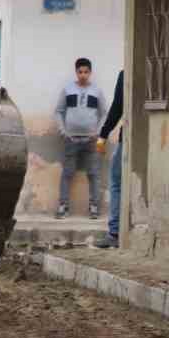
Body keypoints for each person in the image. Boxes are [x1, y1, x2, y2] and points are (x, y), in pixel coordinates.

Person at [54, 57, 108, 219]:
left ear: (90, 73)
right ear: (76, 72)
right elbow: (58, 111)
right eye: (80, 72)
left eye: (86, 72)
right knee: (67, 173)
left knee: (94, 173)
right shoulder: (68, 89)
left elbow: (104, 113)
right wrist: (64, 131)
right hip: (71, 139)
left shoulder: (97, 91)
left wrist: (98, 132)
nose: (83, 75)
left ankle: (94, 207)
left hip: (92, 141)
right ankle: (63, 206)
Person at [96, 68, 126, 247]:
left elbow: (118, 106)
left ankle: (114, 233)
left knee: (116, 182)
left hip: (130, 136)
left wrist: (103, 134)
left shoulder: (126, 73)